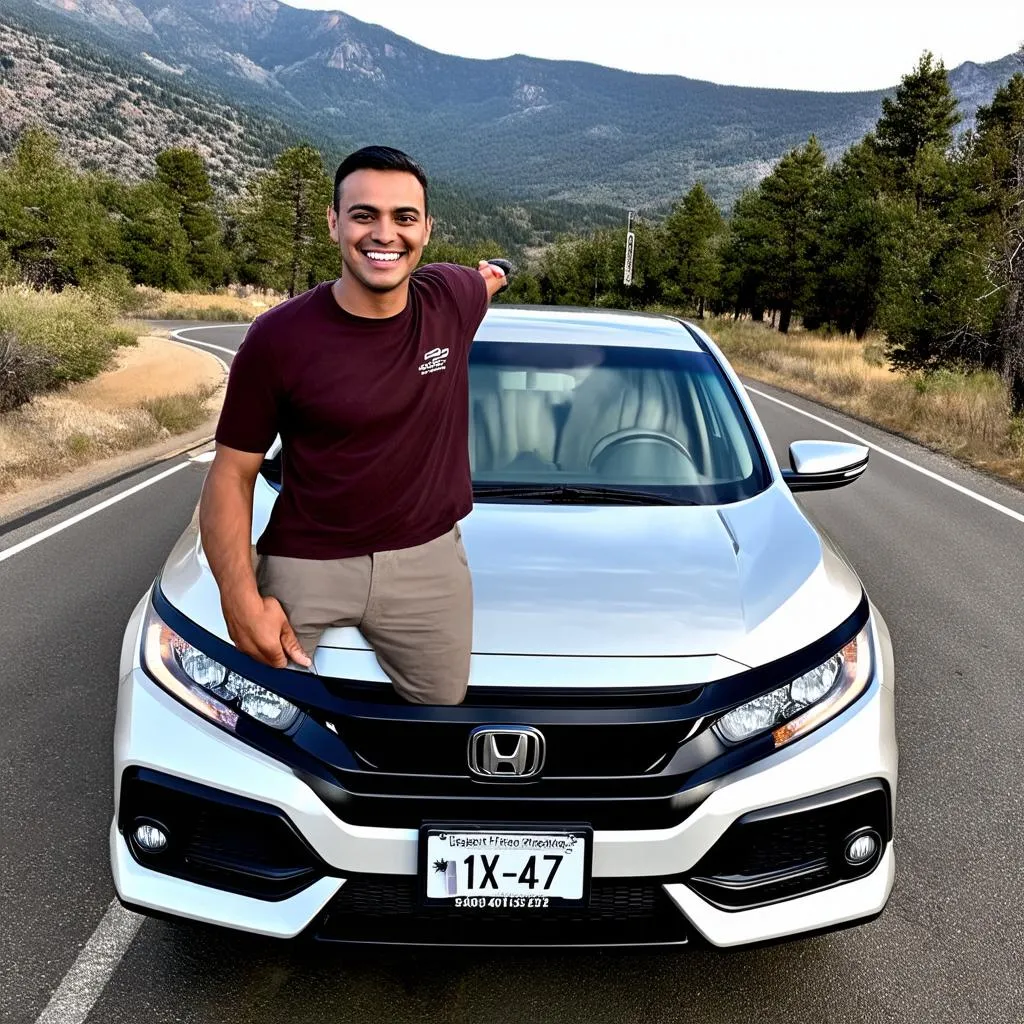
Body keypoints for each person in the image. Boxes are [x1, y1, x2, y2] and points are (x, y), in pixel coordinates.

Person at [198, 145, 508, 705]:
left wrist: (497, 273)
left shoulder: (452, 300)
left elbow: (484, 280)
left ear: (427, 230)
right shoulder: (276, 339)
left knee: (442, 723)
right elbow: (231, 474)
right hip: (305, 562)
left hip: (428, 561)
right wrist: (238, 600)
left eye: (404, 218)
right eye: (365, 215)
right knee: (261, 714)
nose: (384, 234)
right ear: (334, 221)